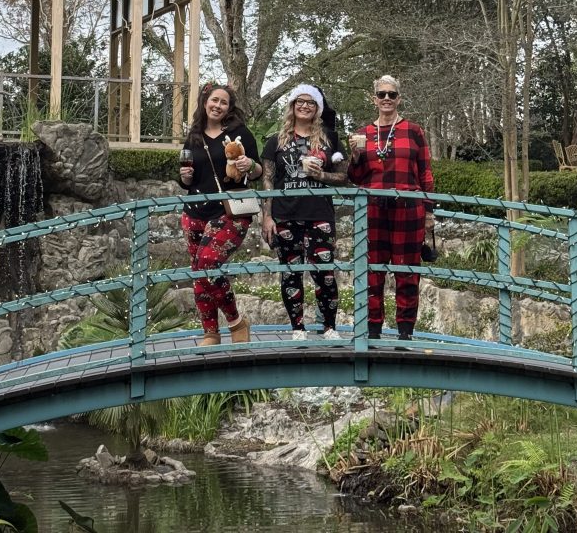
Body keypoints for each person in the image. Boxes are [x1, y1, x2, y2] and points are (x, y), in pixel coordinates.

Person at [347, 75, 434, 340]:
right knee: (372, 269)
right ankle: (372, 328)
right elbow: (356, 177)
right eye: (382, 94)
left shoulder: (414, 131)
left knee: (407, 270)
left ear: (399, 99)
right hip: (373, 207)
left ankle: (405, 330)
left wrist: (430, 211)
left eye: (392, 94)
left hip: (408, 207)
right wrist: (355, 157)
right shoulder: (363, 134)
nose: (387, 98)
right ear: (374, 99)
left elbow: (425, 173)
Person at [261, 84, 347, 339]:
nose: (305, 105)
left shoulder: (330, 138)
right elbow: (267, 180)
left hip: (319, 213)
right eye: (300, 101)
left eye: (311, 102)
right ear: (292, 105)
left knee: (325, 274)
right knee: (290, 273)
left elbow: (345, 176)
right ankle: (297, 327)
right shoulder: (275, 140)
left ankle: (330, 326)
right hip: (285, 214)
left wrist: (321, 175)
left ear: (318, 108)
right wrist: (267, 216)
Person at [179, 82, 261, 346]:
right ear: (205, 102)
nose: (218, 106)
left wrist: (249, 165)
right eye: (214, 100)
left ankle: (236, 321)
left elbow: (258, 172)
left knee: (208, 263)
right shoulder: (193, 136)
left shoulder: (239, 134)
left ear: (229, 107)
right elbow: (186, 179)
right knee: (198, 272)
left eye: (223, 102)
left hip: (230, 211)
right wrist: (184, 178)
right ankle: (210, 332)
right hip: (194, 212)